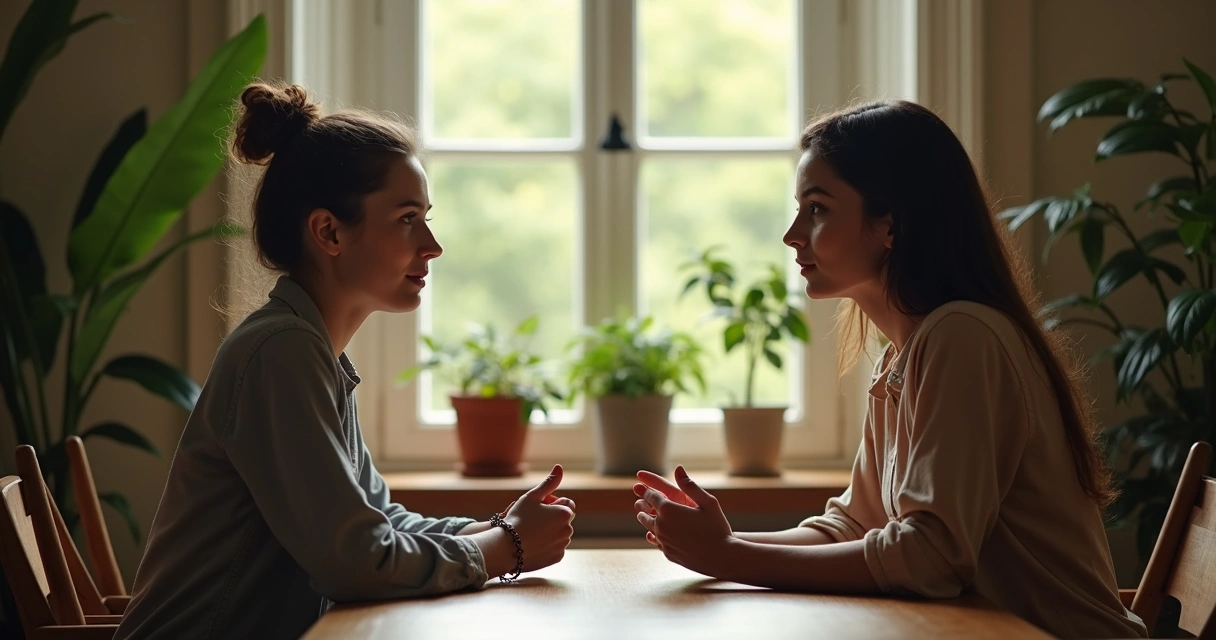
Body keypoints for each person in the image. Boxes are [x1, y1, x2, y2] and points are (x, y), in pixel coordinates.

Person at [632, 101, 1148, 640]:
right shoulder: (905, 355)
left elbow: (933, 558)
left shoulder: (962, 337)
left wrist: (730, 556)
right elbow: (853, 524)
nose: (792, 234)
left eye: (817, 208)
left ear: (890, 225)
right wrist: (721, 543)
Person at [116, 84, 576, 640]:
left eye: (425, 217)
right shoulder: (281, 352)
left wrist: (498, 529)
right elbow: (356, 562)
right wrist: (507, 546)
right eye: (407, 219)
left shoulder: (311, 349)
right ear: (329, 232)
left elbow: (379, 524)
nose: (432, 245)